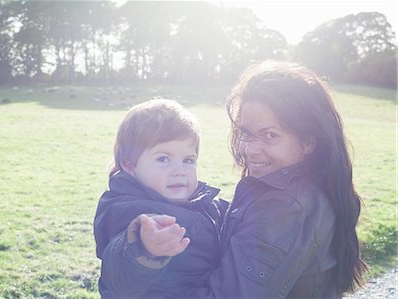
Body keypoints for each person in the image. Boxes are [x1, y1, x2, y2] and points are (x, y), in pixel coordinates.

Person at [115, 60, 368, 298]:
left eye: (270, 135)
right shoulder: (290, 187)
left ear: (309, 142)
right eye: (246, 134)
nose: (249, 149)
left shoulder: (286, 209)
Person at [93, 99, 228, 298]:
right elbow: (120, 274)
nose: (179, 171)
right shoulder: (128, 210)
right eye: (163, 159)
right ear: (130, 165)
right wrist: (144, 248)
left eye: (188, 160)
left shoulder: (198, 202)